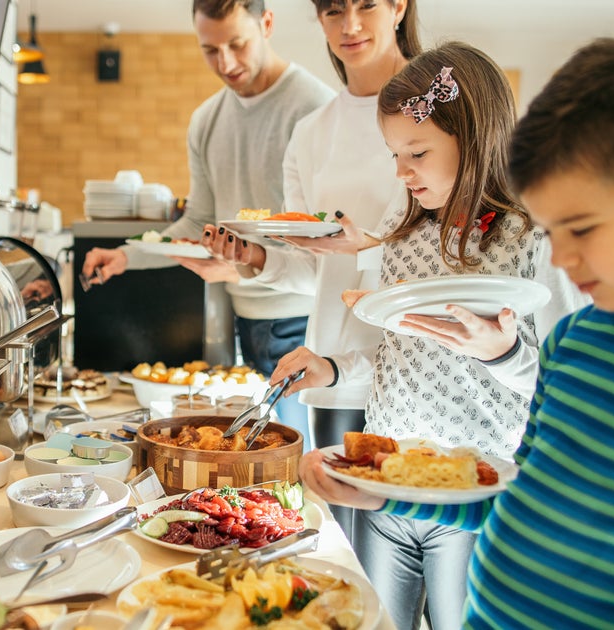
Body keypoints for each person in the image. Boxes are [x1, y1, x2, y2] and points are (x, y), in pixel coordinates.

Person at [300, 37, 614, 628]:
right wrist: (387, 496)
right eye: (554, 231)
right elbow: (522, 503)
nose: (561, 258)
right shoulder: (575, 344)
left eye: (580, 228)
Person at [287, 41, 583, 630]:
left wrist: (506, 355)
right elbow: (396, 355)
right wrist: (335, 368)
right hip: (384, 485)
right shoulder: (402, 241)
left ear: (473, 140)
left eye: (416, 152)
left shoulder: (531, 239)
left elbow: (570, 382)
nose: (400, 172)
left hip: (473, 493)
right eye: (394, 153)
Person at [199, 0, 420, 540]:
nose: (349, 25)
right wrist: (255, 258)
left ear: (398, 6)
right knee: (347, 560)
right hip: (335, 371)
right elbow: (312, 272)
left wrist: (363, 248)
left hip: (419, 370)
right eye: (331, 10)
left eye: (366, 5)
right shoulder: (313, 131)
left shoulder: (436, 110)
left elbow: (448, 250)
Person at [80, 0, 335, 448]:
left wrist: (239, 267)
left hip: (305, 321)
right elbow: (198, 220)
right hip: (247, 318)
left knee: (293, 460)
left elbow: (326, 236)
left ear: (268, 24)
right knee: (251, 455)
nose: (227, 63)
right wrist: (126, 255)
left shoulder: (315, 109)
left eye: (237, 44)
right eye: (210, 50)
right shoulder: (206, 120)